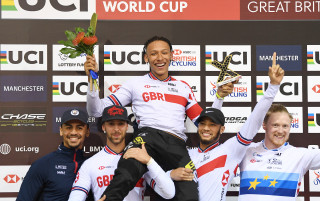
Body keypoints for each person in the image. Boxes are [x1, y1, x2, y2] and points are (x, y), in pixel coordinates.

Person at [85, 36, 230, 201]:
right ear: (146, 58)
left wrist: (219, 97)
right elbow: (96, 111)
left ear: (172, 55)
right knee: (125, 173)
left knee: (189, 195)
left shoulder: (183, 88)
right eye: (153, 54)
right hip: (147, 139)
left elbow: (205, 123)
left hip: (176, 145)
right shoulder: (135, 84)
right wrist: (92, 79)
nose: (159, 58)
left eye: (164, 53)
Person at [162, 52, 284, 201]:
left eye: (212, 125)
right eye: (202, 124)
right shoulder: (187, 154)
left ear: (222, 129)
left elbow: (254, 120)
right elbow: (157, 179)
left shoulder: (230, 150)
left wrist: (273, 87)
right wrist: (170, 174)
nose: (206, 128)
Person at [68, 105, 175, 201]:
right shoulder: (90, 164)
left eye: (120, 124)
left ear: (127, 126)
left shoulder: (139, 159)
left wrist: (149, 161)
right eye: (111, 124)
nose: (116, 129)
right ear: (103, 127)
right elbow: (75, 197)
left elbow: (169, 193)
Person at [238, 105, 320, 198]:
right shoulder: (245, 150)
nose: (280, 131)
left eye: (285, 126)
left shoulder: (299, 155)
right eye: (275, 125)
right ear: (264, 125)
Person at [16, 109, 90, 201]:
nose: (73, 132)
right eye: (68, 127)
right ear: (61, 131)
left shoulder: (92, 165)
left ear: (87, 132)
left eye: (79, 128)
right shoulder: (43, 164)